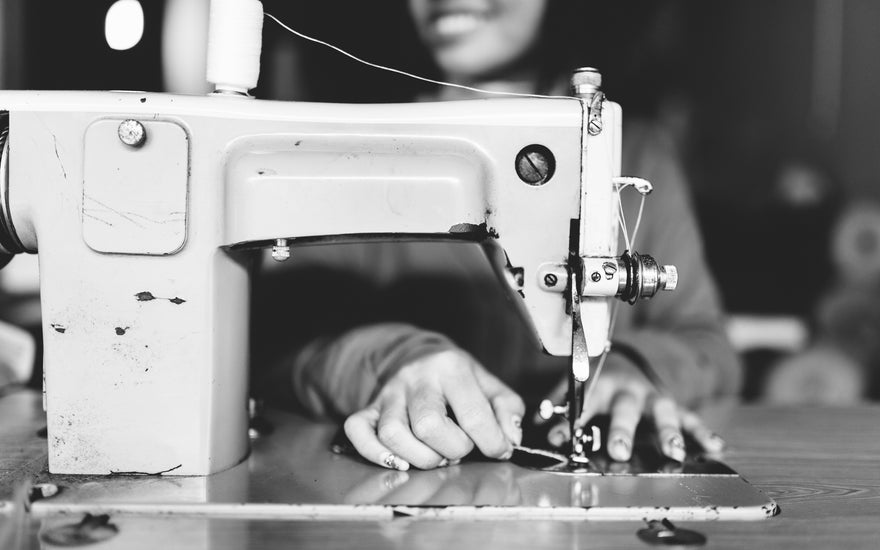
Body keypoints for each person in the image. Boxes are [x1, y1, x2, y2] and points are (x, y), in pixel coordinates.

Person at [253, 0, 742, 471]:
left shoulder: (635, 156)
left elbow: (708, 344)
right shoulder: (368, 152)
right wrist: (392, 359)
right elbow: (280, 341)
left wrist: (635, 367)